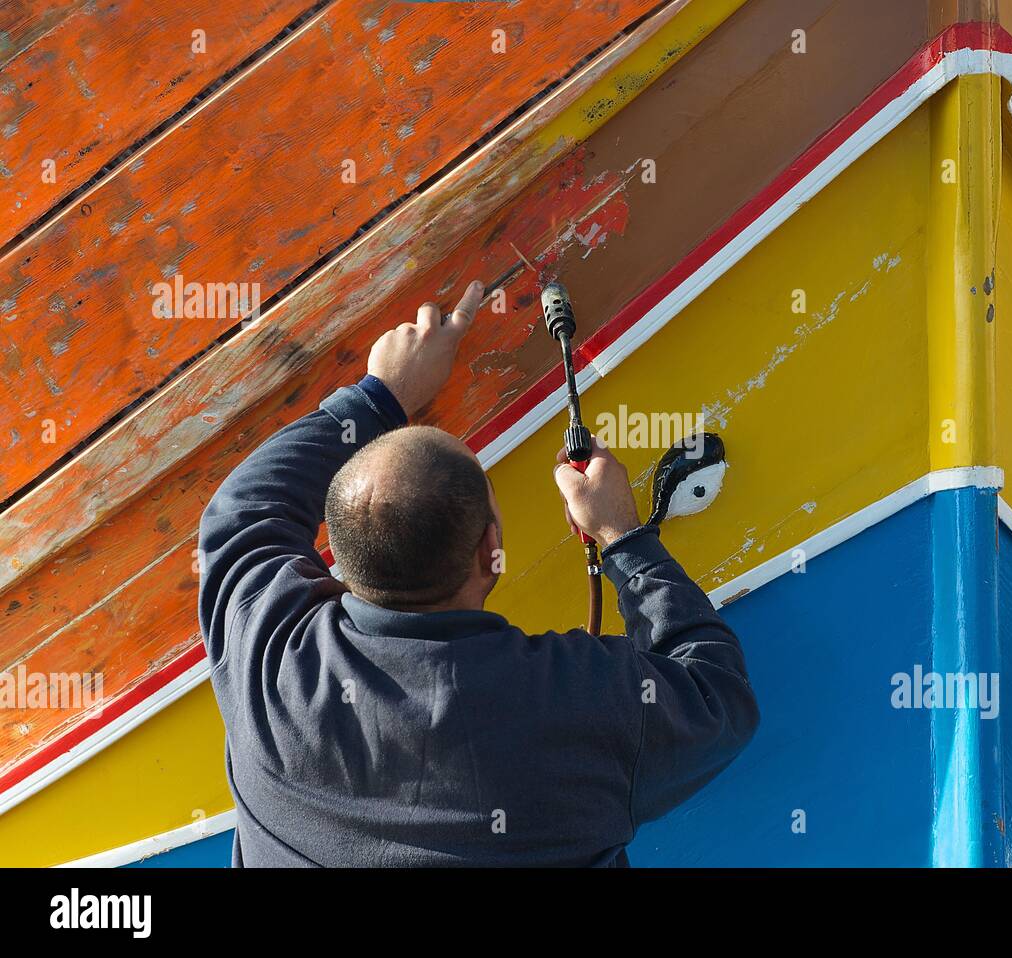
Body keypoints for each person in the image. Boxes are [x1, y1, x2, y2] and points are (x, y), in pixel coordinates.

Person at [198, 280, 759, 866]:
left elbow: (244, 510)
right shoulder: (571, 709)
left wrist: (377, 398)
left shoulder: (268, 659)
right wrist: (624, 536)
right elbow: (718, 701)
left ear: (335, 552)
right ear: (492, 547)